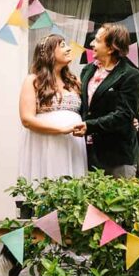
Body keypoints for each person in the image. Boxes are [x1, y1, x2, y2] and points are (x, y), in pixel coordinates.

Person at [73, 22, 139, 178]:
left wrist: (89, 126)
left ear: (111, 48)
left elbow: (124, 115)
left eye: (97, 40)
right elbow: (84, 107)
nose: (92, 44)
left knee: (120, 202)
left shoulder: (130, 75)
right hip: (88, 154)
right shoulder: (88, 70)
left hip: (117, 156)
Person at [17, 34, 88, 181]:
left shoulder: (75, 82)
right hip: (44, 143)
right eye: (62, 45)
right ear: (49, 53)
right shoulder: (33, 81)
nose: (69, 49)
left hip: (73, 144)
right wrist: (61, 129)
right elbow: (27, 119)